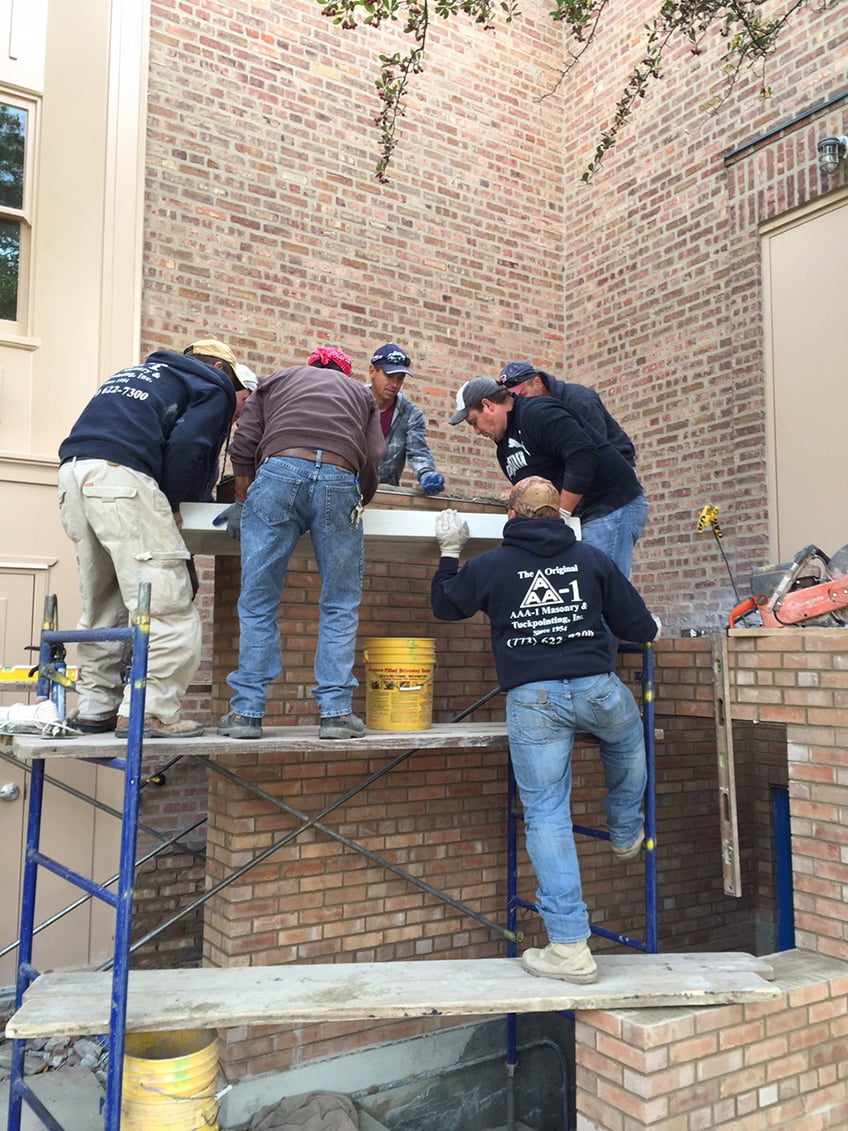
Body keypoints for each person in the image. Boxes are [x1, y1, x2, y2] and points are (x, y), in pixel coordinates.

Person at [430, 477, 660, 983]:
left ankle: (570, 950)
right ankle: (625, 829)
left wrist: (450, 552)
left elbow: (447, 605)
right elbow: (639, 627)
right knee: (627, 735)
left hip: (534, 702)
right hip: (597, 689)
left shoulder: (491, 566)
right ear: (559, 516)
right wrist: (651, 629)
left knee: (547, 815)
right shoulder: (592, 560)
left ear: (511, 516)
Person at [58, 338, 249, 737]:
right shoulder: (211, 385)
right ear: (219, 366)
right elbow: (189, 446)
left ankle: (96, 707)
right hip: (122, 477)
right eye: (238, 397)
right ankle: (152, 711)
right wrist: (178, 502)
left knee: (103, 602)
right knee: (167, 606)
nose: (233, 411)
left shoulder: (139, 375)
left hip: (73, 477)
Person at [217, 346, 386, 741]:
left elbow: (243, 444)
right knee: (340, 602)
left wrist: (242, 501)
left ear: (311, 366)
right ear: (344, 373)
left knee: (258, 599)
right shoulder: (359, 393)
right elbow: (374, 455)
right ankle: (336, 715)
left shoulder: (278, 379)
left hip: (278, 472)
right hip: (340, 477)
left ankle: (246, 715)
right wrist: (355, 502)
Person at [449, 377, 648, 577]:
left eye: (474, 422)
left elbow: (583, 456)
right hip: (579, 515)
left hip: (609, 505)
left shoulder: (538, 413)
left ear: (488, 405)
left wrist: (560, 516)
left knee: (601, 591)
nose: (476, 431)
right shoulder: (504, 450)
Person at [498, 361, 636, 467]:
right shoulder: (533, 414)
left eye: (523, 394)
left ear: (537, 382)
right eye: (516, 399)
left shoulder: (580, 400)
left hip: (613, 468)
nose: (521, 402)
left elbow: (596, 447)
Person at [367, 343, 445, 494]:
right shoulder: (353, 402)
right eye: (389, 376)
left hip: (385, 494)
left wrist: (426, 474)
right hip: (347, 488)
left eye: (400, 378)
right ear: (372, 371)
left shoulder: (411, 416)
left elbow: (418, 453)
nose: (394, 384)